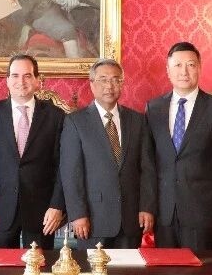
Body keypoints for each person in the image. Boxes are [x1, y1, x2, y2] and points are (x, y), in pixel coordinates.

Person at [145, 42, 212, 250]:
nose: (184, 72)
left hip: (201, 212)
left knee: (200, 269)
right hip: (164, 213)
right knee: (165, 269)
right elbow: (148, 163)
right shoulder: (153, 108)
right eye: (178, 65)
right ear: (168, 70)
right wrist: (147, 207)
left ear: (200, 68)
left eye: (190, 65)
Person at [60, 58, 156, 247]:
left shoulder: (137, 121)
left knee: (129, 266)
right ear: (92, 84)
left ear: (122, 84)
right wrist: (78, 214)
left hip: (131, 218)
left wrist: (147, 207)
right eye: (103, 79)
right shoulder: (76, 122)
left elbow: (147, 168)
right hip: (92, 220)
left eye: (115, 80)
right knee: (93, 267)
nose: (109, 86)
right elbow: (71, 173)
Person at [0, 54, 66, 249]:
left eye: (27, 76)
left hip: (42, 210)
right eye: (15, 75)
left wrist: (57, 205)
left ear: (37, 80)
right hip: (0, 210)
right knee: (0, 265)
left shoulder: (55, 116)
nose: (21, 81)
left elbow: (63, 166)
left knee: (40, 265)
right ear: (7, 80)